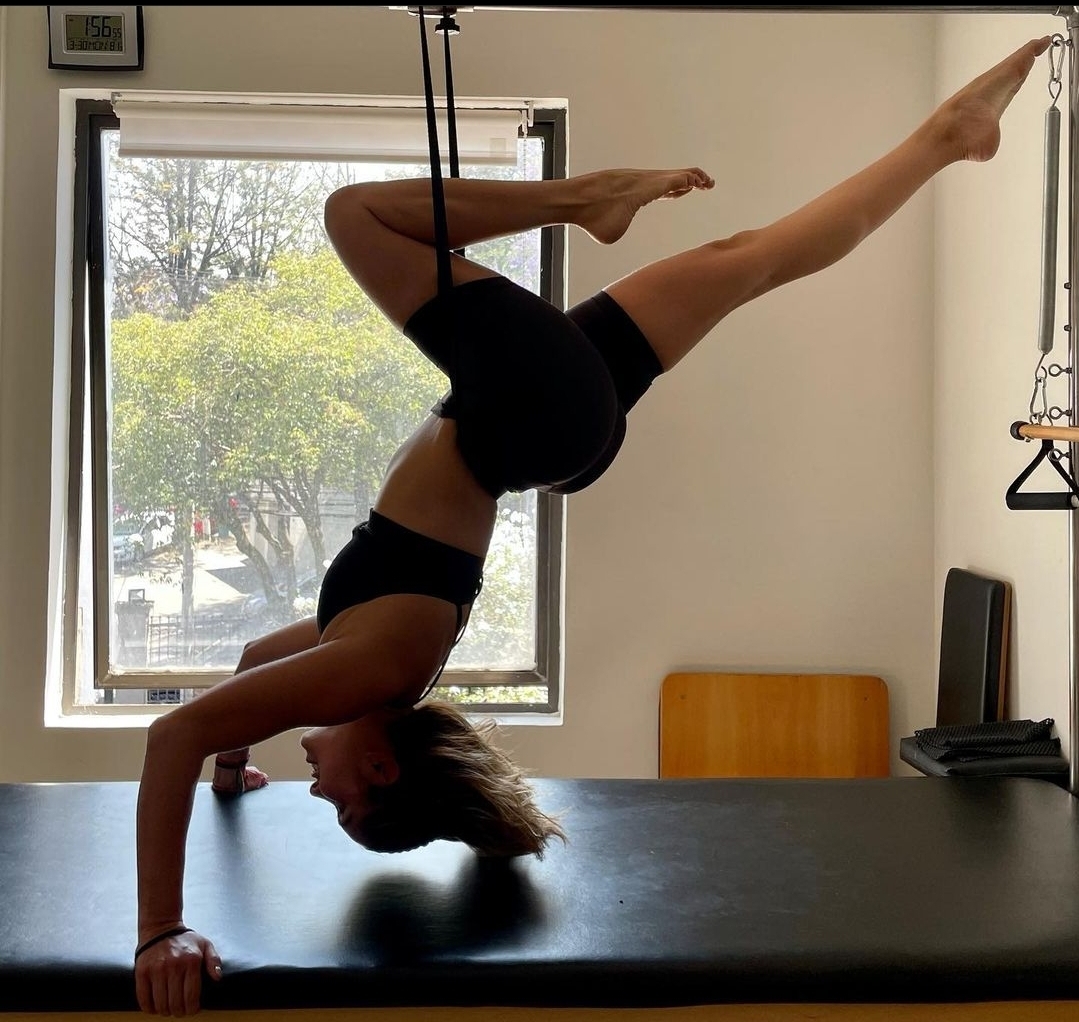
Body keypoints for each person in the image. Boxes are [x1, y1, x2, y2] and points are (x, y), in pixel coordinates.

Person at [133, 35, 1052, 1016]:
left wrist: (233, 767)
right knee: (353, 214)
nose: (316, 792)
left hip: (542, 429)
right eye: (344, 805)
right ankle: (582, 199)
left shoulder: (354, 656)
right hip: (526, 414)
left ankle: (943, 138)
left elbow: (241, 674)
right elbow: (174, 733)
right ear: (384, 767)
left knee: (750, 260)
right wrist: (160, 928)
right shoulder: (373, 670)